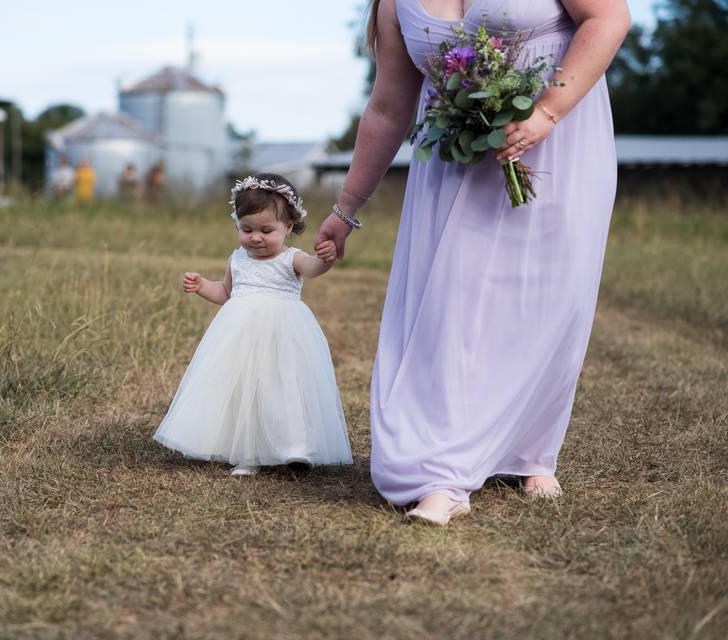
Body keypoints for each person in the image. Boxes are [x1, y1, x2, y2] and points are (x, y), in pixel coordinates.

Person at [314, 0, 630, 526]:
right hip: (454, 168)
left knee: (545, 298)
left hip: (560, 148)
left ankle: (530, 451)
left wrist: (546, 112)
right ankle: (441, 473)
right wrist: (345, 210)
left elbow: (610, 18)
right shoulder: (393, 4)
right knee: (449, 309)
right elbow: (390, 106)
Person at [154, 174, 352, 476]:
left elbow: (314, 268)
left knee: (284, 388)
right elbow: (227, 293)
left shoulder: (292, 259)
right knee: (247, 390)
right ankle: (248, 452)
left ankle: (296, 448)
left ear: (288, 226)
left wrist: (326, 258)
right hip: (241, 338)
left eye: (266, 230)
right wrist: (203, 285)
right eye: (246, 229)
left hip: (282, 336)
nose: (255, 237)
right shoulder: (237, 260)